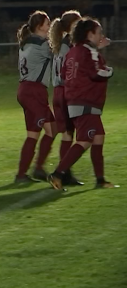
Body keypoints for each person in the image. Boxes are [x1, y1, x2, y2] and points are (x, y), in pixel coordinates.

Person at [48, 18, 117, 189]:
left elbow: (65, 73)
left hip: (74, 99)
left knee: (98, 137)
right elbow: (96, 73)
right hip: (87, 100)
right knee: (85, 140)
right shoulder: (87, 51)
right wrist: (109, 71)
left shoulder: (73, 51)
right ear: (90, 34)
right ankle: (57, 174)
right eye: (99, 32)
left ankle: (100, 180)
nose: (101, 35)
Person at [14, 10, 55, 183]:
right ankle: (24, 174)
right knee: (37, 133)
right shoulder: (41, 44)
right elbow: (60, 56)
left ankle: (35, 169)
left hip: (28, 90)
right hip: (33, 91)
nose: (50, 26)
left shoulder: (27, 43)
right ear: (39, 26)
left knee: (52, 129)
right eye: (47, 24)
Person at [48, 10, 84, 186]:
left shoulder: (63, 44)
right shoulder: (68, 45)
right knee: (73, 135)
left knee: (68, 134)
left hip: (58, 91)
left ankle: (65, 172)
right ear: (72, 26)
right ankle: (63, 173)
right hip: (65, 92)